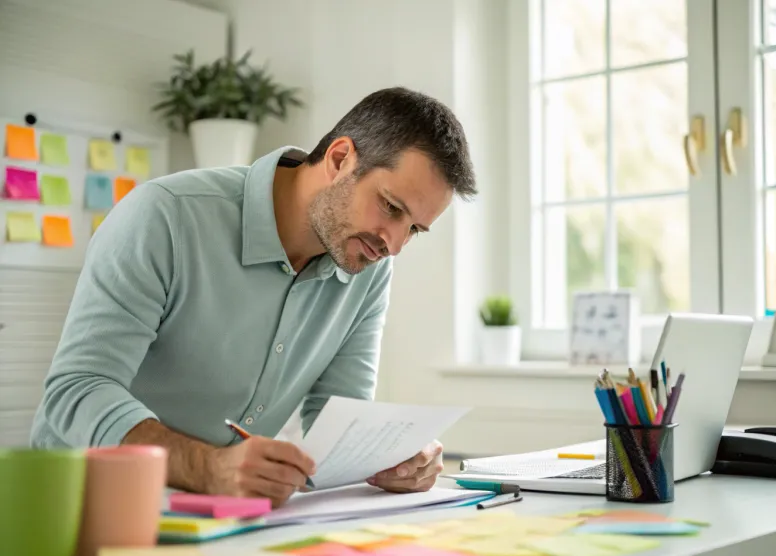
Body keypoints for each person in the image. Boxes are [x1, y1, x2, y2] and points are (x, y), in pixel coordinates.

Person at [29, 86, 477, 507]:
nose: (394, 244)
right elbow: (77, 390)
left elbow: (338, 420)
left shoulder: (365, 264)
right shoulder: (165, 216)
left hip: (214, 516)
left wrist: (388, 458)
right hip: (76, 503)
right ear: (340, 158)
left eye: (414, 229)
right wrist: (209, 468)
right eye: (391, 208)